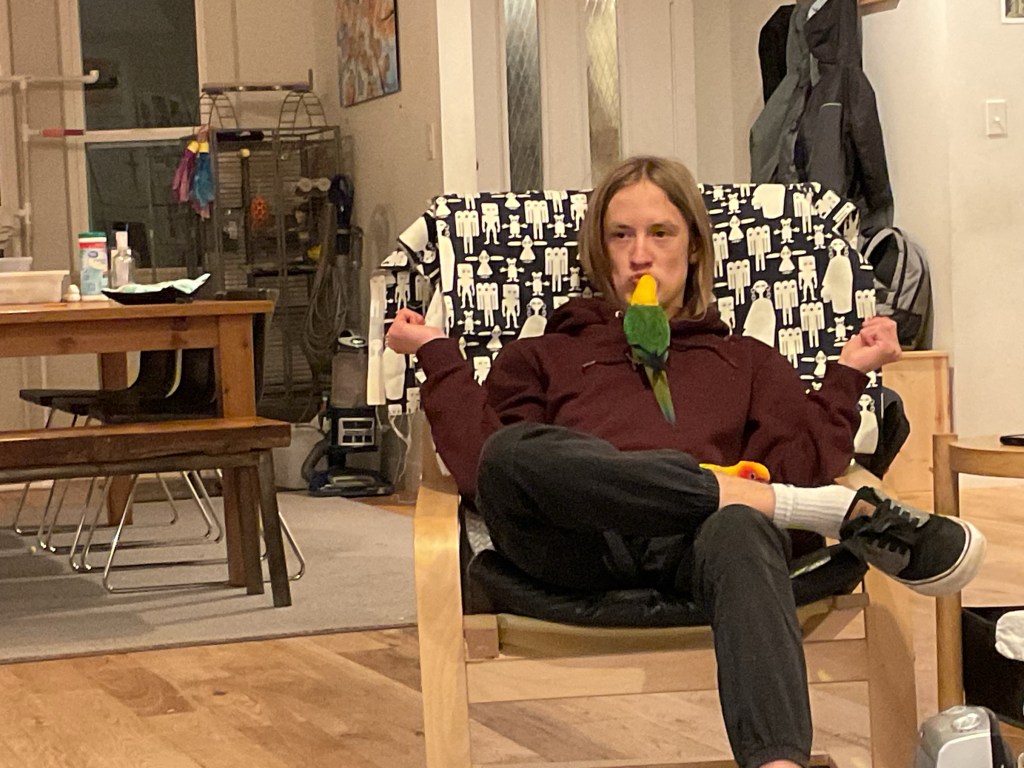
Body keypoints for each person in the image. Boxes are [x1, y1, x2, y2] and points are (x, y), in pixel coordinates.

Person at [386, 156, 985, 768]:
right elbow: (482, 467)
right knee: (514, 452)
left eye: (660, 233)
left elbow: (798, 463)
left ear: (693, 246)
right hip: (577, 544)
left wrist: (848, 373)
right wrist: (436, 352)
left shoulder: (745, 360)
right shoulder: (542, 354)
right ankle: (778, 502)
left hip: (698, 545)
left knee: (742, 526)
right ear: (599, 251)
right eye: (621, 235)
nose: (639, 255)